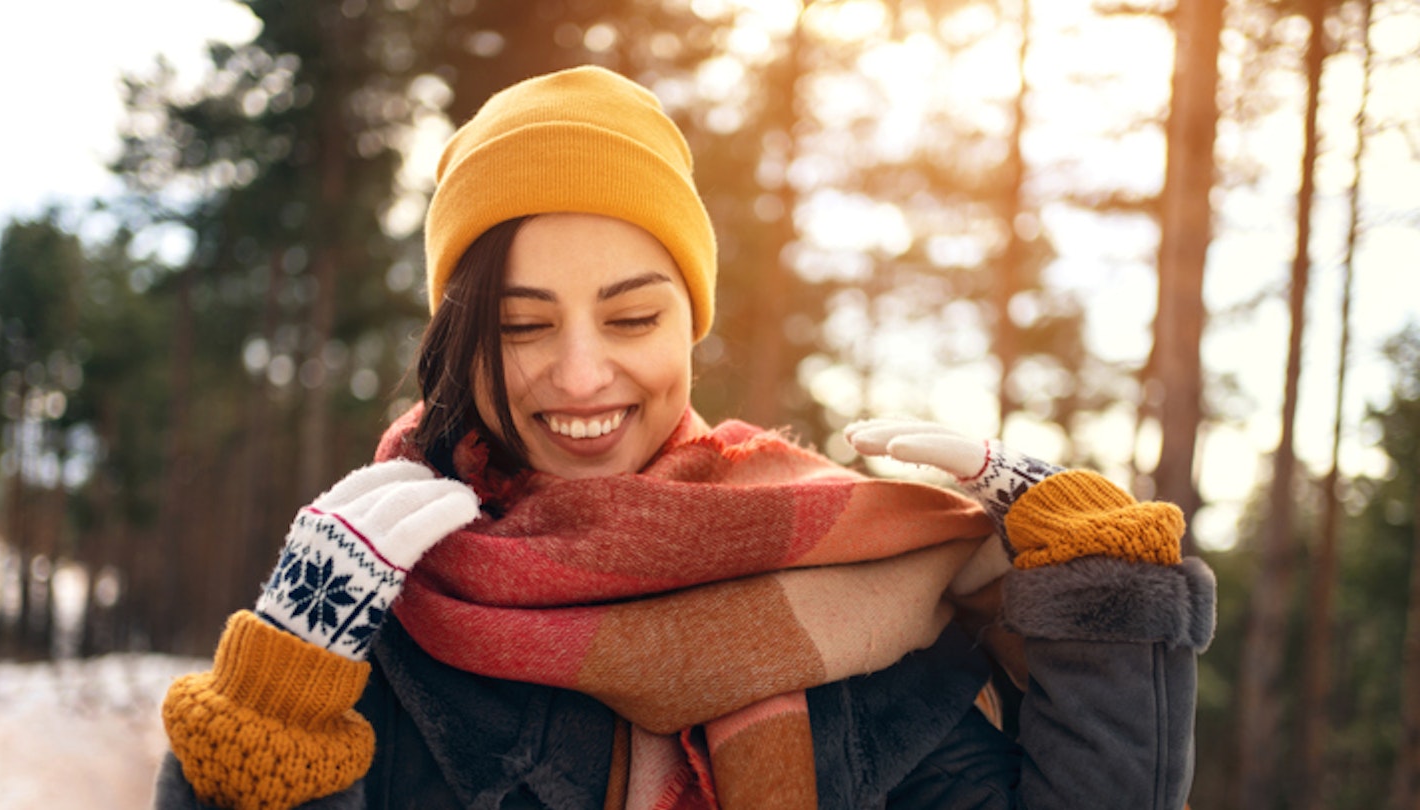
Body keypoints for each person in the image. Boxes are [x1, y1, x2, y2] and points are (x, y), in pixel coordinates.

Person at [153, 65, 1215, 810]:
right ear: (459, 342)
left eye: (631, 317)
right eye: (522, 326)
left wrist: (1100, 591)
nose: (579, 374)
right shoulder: (372, 610)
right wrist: (265, 728)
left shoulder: (851, 602)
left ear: (691, 323)